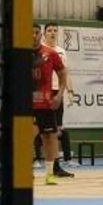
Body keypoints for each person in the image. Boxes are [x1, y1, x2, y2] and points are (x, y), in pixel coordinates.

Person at [33, 24, 69, 186]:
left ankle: (49, 174)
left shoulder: (51, 54)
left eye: (36, 33)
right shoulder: (19, 54)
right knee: (24, 138)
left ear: (40, 35)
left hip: (46, 104)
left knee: (49, 138)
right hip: (25, 104)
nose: (33, 35)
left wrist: (60, 94)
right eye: (30, 33)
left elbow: (63, 74)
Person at [41, 23, 75, 177]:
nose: (52, 33)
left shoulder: (61, 51)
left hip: (57, 94)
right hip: (42, 95)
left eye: (55, 30)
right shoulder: (39, 50)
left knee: (56, 131)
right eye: (49, 30)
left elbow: (65, 73)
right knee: (37, 131)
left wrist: (70, 91)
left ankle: (55, 167)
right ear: (44, 33)